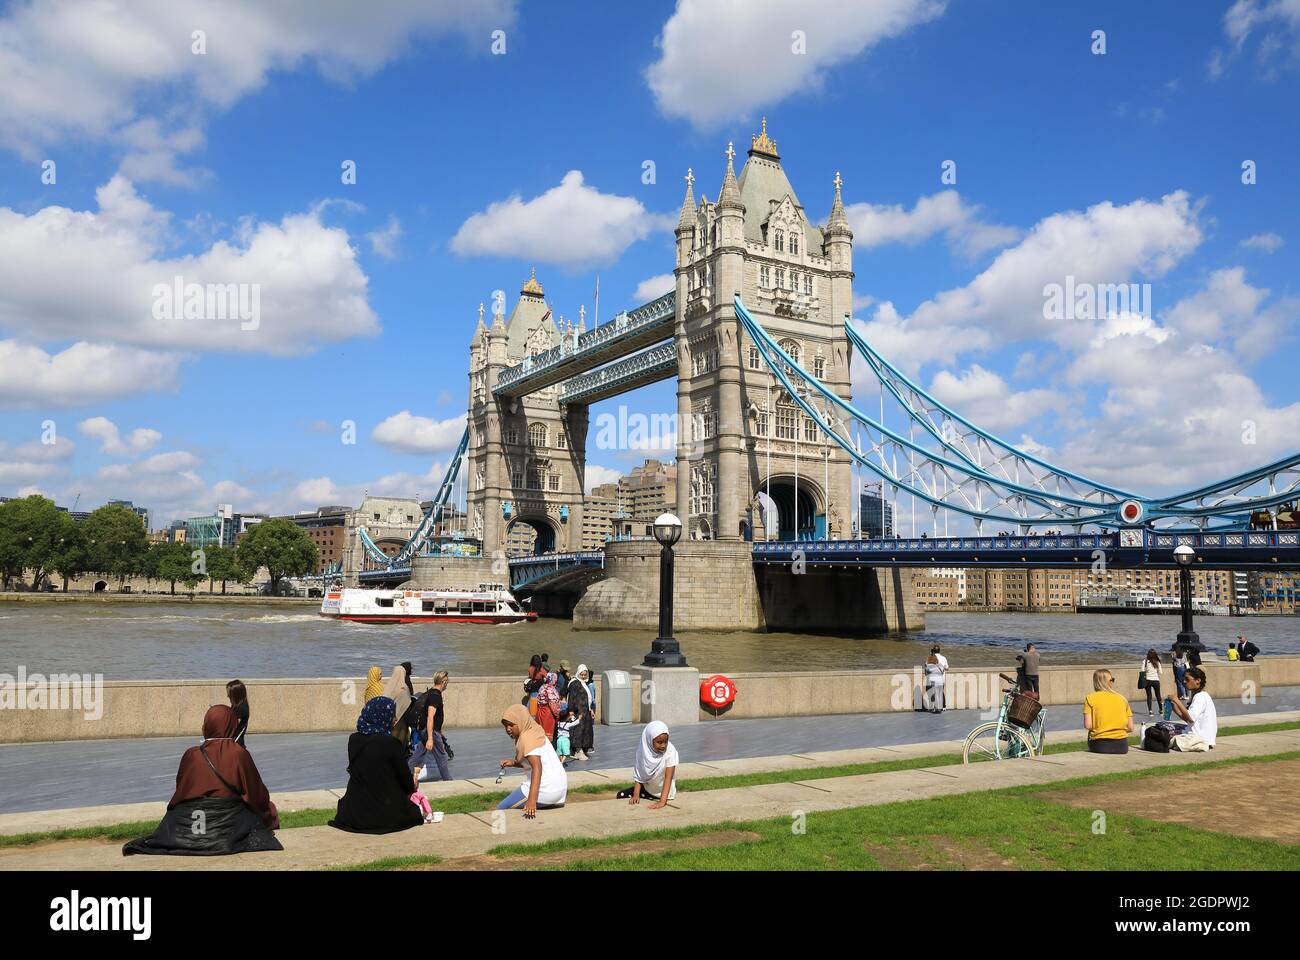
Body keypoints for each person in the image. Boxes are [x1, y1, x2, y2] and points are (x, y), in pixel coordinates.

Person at [123, 704, 282, 855]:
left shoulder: (192, 754)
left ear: (207, 725)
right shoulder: (238, 754)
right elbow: (255, 794)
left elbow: (181, 791)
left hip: (189, 820)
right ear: (232, 726)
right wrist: (269, 813)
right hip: (226, 823)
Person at [329, 697, 425, 833]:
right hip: (383, 812)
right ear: (383, 716)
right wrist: (413, 782)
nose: (395, 719)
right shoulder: (391, 744)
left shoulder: (354, 740)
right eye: (392, 715)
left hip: (354, 813)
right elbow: (406, 782)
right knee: (413, 812)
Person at [497, 704, 567, 818]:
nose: (508, 729)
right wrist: (513, 763)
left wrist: (531, 800)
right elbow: (536, 762)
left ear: (521, 722)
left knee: (501, 808)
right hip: (560, 789)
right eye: (505, 726)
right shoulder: (535, 731)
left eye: (511, 725)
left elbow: (537, 767)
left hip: (547, 789)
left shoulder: (527, 739)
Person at [617, 721, 678, 809]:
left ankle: (655, 797)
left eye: (666, 741)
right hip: (647, 790)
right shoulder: (643, 751)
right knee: (620, 795)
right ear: (649, 740)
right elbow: (639, 774)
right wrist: (636, 795)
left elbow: (668, 777)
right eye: (659, 742)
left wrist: (662, 802)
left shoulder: (670, 751)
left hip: (664, 794)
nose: (663, 745)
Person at [409, 671, 452, 783]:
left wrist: (440, 730)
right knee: (442, 757)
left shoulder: (431, 693)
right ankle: (449, 782)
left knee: (417, 756)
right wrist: (430, 738)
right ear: (443, 682)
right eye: (447, 681)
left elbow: (436, 717)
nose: (447, 684)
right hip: (431, 732)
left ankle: (404, 776)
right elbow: (430, 717)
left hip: (428, 731)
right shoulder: (435, 696)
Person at [1083, 669, 1132, 754]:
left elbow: (1088, 725)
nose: (1113, 682)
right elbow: (1130, 727)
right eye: (1112, 680)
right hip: (1122, 746)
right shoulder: (1122, 699)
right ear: (1109, 682)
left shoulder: (1090, 698)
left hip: (1100, 745)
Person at [1167, 666, 1217, 749]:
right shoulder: (1202, 695)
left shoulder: (1200, 697)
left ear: (1198, 681)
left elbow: (1191, 718)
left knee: (1162, 727)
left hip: (1198, 738)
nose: (1184, 681)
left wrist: (1177, 700)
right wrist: (1175, 708)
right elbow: (1189, 720)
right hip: (1204, 737)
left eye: (1187, 679)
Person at [567, 663, 596, 761]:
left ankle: (584, 749)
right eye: (581, 675)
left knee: (586, 731)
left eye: (585, 675)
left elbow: (588, 698)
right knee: (578, 731)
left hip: (585, 711)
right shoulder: (575, 683)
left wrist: (591, 709)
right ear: (578, 674)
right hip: (578, 712)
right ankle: (578, 751)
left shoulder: (584, 683)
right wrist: (571, 710)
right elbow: (571, 697)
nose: (583, 677)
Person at [382, 664, 413, 745]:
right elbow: (408, 704)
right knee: (400, 742)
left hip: (389, 720)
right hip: (402, 721)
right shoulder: (404, 689)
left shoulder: (388, 687)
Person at [226, 679, 249, 749]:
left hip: (236, 744)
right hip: (235, 743)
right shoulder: (237, 706)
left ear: (236, 695)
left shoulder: (241, 709)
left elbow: (232, 725)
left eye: (229, 694)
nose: (227, 696)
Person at [1141, 649, 1164, 717]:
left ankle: (1150, 711)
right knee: (1158, 695)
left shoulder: (1145, 661)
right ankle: (1161, 710)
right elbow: (1160, 672)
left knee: (1149, 696)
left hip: (1147, 680)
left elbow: (1142, 670)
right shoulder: (1157, 662)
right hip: (1156, 680)